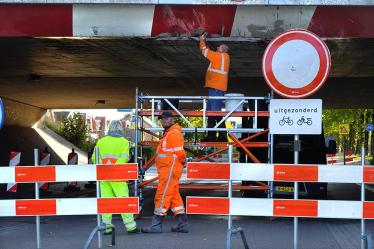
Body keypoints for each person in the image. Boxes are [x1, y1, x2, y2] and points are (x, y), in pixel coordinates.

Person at [141, 112, 188, 233]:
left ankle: (156, 226)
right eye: (162, 120)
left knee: (162, 196)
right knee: (173, 196)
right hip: (168, 170)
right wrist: (146, 167)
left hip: (169, 170)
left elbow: (181, 153)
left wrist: (181, 162)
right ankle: (182, 224)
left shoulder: (173, 133)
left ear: (171, 120)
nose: (163, 121)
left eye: (166, 119)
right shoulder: (168, 134)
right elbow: (159, 154)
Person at [92, 120, 139, 234]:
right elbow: (124, 158)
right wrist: (114, 168)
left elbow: (94, 158)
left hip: (103, 176)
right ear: (120, 129)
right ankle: (130, 227)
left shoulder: (101, 141)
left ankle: (107, 227)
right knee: (123, 201)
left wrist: (105, 168)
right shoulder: (124, 142)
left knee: (106, 202)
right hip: (118, 176)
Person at [199, 32, 230, 141]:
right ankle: (213, 136)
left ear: (222, 50)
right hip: (217, 88)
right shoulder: (223, 57)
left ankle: (220, 136)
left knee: (214, 112)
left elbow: (205, 52)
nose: (217, 47)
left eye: (219, 47)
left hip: (216, 88)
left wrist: (202, 40)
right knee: (211, 113)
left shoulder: (219, 56)